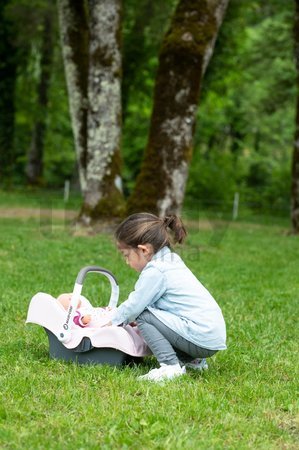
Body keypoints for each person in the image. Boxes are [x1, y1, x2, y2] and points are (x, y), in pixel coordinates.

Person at [105, 212, 227, 382]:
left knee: (143, 315)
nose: (127, 262)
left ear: (143, 250)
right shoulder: (171, 260)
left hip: (200, 336)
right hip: (210, 336)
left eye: (127, 256)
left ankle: (170, 367)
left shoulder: (156, 270)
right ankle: (192, 360)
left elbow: (134, 306)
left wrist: (111, 322)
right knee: (148, 314)